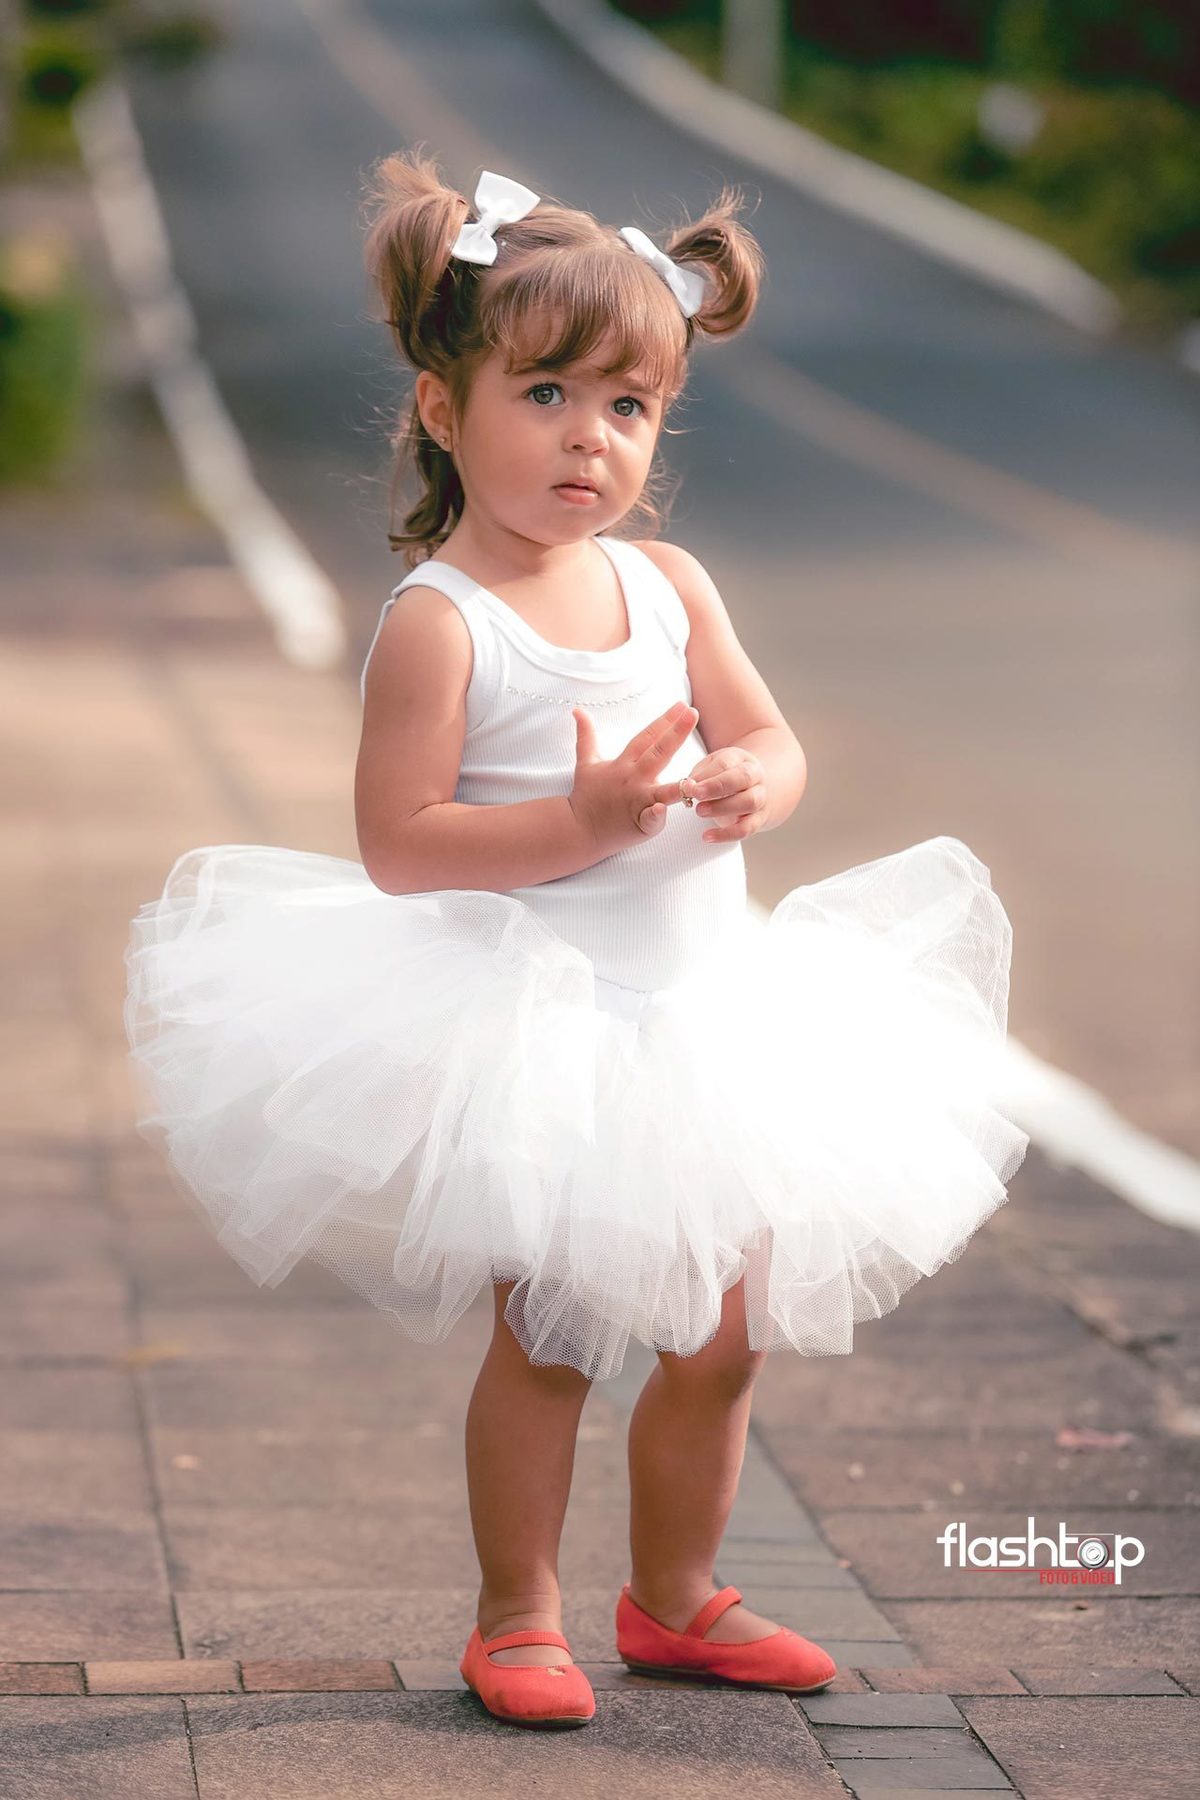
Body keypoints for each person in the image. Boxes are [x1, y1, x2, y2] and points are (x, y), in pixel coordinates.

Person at [123, 151, 1030, 1728]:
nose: (588, 437)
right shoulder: (444, 622)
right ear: (442, 406)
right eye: (545, 394)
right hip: (546, 1032)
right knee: (553, 1337)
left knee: (726, 1337)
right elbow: (402, 846)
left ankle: (676, 1597)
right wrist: (584, 821)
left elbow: (773, 739)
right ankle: (518, 1614)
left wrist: (760, 782)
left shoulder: (667, 585)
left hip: (714, 1019)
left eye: (628, 406)